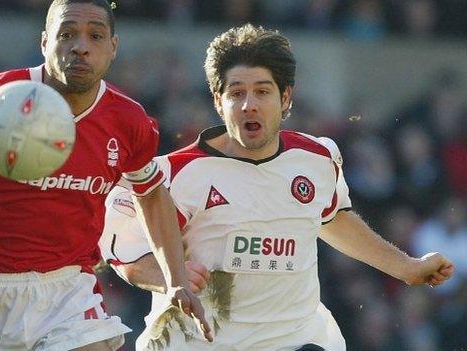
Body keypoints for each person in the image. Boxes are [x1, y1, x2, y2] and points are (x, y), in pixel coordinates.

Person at [98, 24, 455, 350]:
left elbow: (331, 219)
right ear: (218, 102)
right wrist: (166, 276)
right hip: (201, 341)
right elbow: (122, 250)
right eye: (236, 93)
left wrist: (406, 267)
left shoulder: (317, 158)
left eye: (262, 91)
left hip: (297, 340)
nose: (249, 104)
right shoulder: (174, 175)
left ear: (285, 98)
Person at [0, 1, 210, 350]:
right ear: (45, 43)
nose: (81, 46)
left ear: (113, 47)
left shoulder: (127, 119)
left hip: (68, 292)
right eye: (67, 34)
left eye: (95, 36)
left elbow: (150, 191)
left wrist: (177, 278)